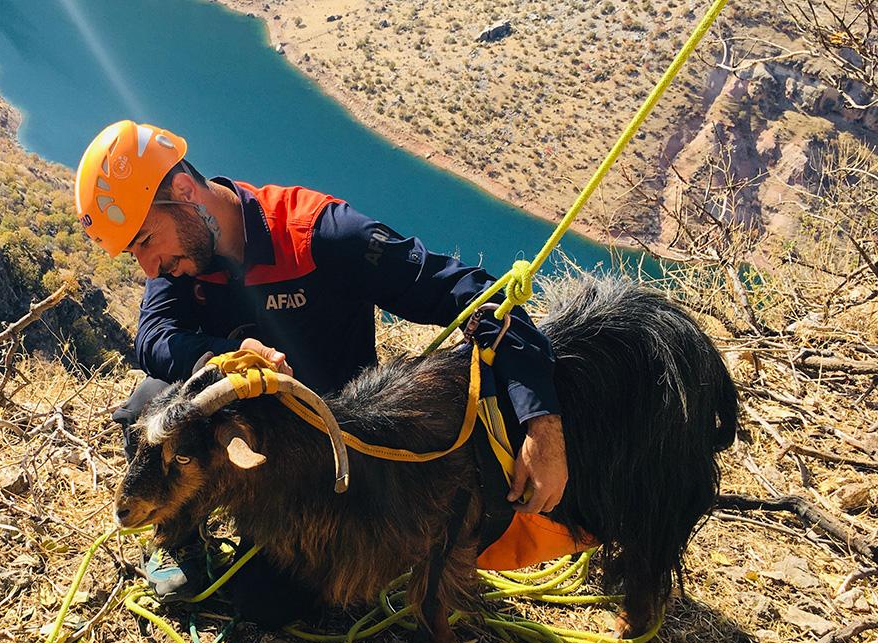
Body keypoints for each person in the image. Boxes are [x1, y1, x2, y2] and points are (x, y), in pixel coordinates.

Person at [75, 120, 568, 602]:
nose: (148, 266)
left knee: (271, 597)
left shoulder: (322, 235)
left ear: (184, 192)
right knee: (148, 404)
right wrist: (223, 359)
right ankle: (180, 535)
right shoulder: (179, 258)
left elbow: (472, 295)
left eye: (144, 240)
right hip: (243, 441)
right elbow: (154, 337)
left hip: (328, 445)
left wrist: (541, 421)